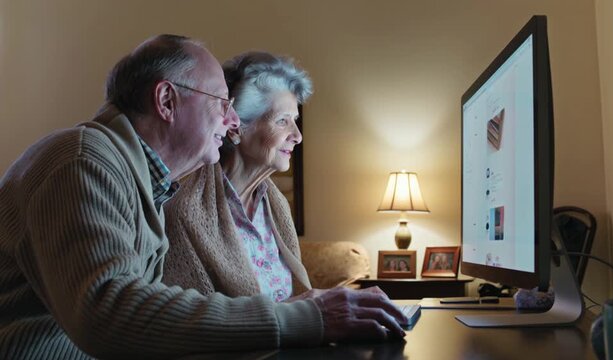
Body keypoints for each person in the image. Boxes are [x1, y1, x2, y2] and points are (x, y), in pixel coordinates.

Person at [0, 35, 406, 359]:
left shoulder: (145, 181)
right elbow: (109, 312)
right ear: (166, 101)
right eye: (221, 103)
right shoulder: (83, 160)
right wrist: (302, 318)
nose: (232, 122)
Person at [163, 51, 312, 301]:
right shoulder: (186, 209)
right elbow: (193, 315)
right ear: (236, 129)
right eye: (283, 121)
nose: (297, 136)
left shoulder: (275, 206)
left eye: (295, 120)